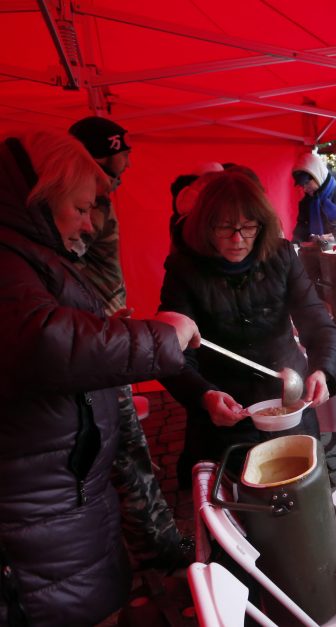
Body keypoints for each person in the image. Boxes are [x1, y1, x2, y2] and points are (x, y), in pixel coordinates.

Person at [0, 129, 198, 625]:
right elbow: (42, 340)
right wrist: (158, 339)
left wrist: (113, 332)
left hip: (63, 496)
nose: (91, 226)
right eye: (81, 208)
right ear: (39, 198)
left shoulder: (29, 253)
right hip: (35, 513)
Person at [158, 169, 336, 486]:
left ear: (262, 224)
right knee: (236, 496)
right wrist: (204, 395)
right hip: (226, 405)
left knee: (301, 489)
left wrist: (323, 370)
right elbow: (172, 351)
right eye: (224, 228)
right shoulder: (184, 268)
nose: (237, 239)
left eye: (247, 228)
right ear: (205, 226)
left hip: (287, 400)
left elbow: (316, 321)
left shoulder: (282, 255)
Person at [68, 116, 191, 572]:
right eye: (124, 152)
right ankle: (153, 546)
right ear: (108, 153)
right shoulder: (85, 198)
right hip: (94, 342)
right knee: (123, 446)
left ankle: (146, 540)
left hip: (99, 333)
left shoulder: (96, 194)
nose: (130, 161)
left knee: (123, 445)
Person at [291, 151, 336, 245]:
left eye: (307, 183)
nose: (304, 189)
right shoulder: (306, 202)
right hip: (316, 256)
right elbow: (301, 231)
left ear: (318, 175)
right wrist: (295, 246)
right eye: (301, 185)